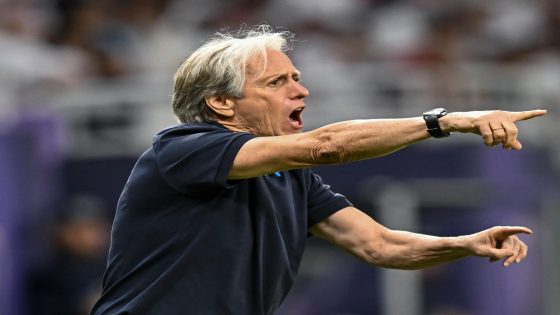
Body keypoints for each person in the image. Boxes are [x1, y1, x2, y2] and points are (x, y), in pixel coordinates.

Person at [90, 25, 547, 315]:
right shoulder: (184, 148)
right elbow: (326, 146)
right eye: (278, 82)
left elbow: (379, 244)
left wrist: (465, 244)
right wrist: (441, 121)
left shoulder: (290, 176)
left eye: (296, 77)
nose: (302, 90)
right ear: (221, 102)